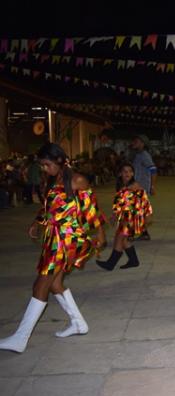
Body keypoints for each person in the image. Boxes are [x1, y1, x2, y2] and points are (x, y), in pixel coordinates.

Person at [0, 143, 106, 353]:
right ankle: (78, 323)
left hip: (67, 240)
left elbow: (91, 211)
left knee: (40, 285)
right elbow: (48, 208)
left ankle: (20, 338)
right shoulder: (53, 180)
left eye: (47, 164)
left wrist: (100, 235)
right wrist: (37, 222)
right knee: (55, 284)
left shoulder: (77, 180)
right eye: (42, 165)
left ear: (59, 161)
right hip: (54, 238)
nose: (44, 169)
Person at [96, 162, 153, 271]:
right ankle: (133, 260)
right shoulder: (122, 185)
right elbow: (120, 203)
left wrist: (148, 216)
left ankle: (111, 264)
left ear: (133, 173)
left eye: (130, 171)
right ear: (120, 173)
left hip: (133, 217)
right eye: (125, 171)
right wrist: (114, 215)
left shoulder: (135, 186)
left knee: (119, 237)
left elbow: (145, 201)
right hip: (125, 216)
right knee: (124, 239)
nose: (127, 173)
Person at [130, 135, 157, 240]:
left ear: (142, 144)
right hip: (136, 186)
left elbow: (153, 170)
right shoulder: (137, 155)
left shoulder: (144, 155)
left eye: (136, 141)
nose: (134, 143)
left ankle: (133, 233)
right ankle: (143, 232)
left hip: (142, 187)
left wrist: (152, 186)